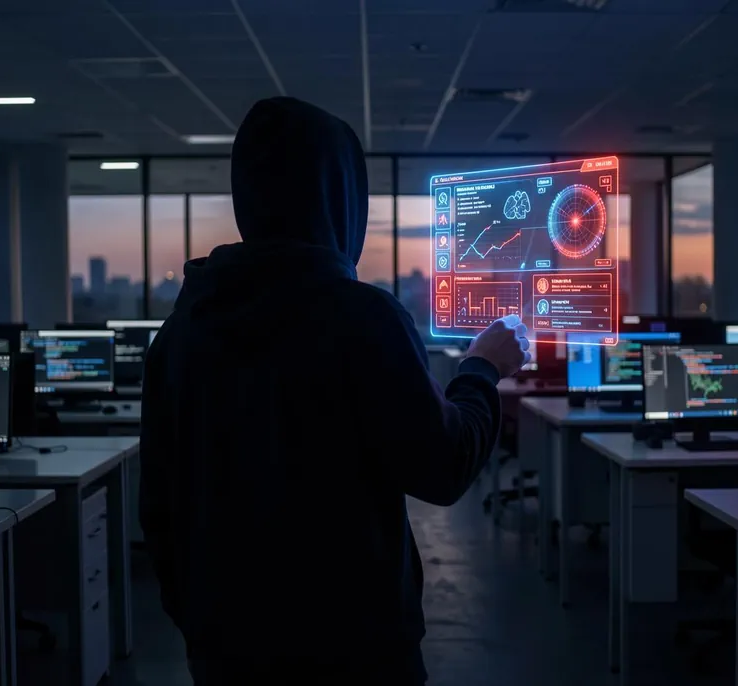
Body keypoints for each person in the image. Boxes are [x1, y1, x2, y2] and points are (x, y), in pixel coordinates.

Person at [139, 97, 529, 686]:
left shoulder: (181, 331)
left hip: (225, 652)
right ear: (343, 199)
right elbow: (443, 466)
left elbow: (159, 506)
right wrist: (481, 369)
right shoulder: (363, 318)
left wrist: (202, 624)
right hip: (358, 652)